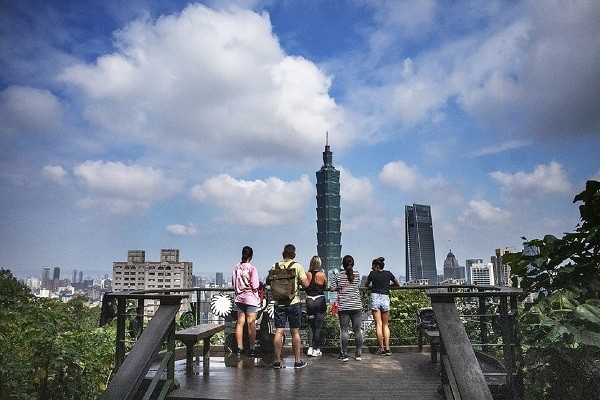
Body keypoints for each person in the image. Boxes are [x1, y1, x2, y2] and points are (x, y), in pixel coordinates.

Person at [270, 244, 310, 369]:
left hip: (279, 303)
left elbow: (268, 281)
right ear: (294, 255)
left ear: (283, 254)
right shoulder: (297, 266)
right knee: (295, 332)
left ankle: (277, 360)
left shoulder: (275, 266)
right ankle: (297, 361)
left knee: (279, 331)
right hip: (293, 302)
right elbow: (306, 284)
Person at [329, 254, 363, 362]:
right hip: (356, 305)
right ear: (353, 264)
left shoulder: (338, 275)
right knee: (357, 330)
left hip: (344, 306)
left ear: (342, 264)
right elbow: (356, 285)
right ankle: (358, 354)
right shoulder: (357, 274)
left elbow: (332, 288)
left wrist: (337, 287)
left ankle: (344, 354)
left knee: (344, 331)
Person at [365, 256, 400, 356]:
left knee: (378, 325)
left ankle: (381, 348)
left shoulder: (372, 274)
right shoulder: (388, 273)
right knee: (385, 325)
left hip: (375, 297)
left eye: (372, 266)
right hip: (385, 297)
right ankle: (388, 348)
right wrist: (388, 286)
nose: (371, 268)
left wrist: (374, 286)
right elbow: (397, 284)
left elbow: (366, 285)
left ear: (376, 266)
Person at [231, 246, 260, 357]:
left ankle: (239, 347)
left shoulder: (236, 267)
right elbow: (255, 285)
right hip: (251, 299)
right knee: (251, 324)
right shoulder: (252, 269)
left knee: (239, 323)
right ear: (251, 256)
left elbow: (234, 283)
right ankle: (252, 348)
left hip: (239, 298)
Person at [305, 255, 327, 357]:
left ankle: (309, 348)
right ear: (319, 264)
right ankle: (316, 349)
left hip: (309, 300)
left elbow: (304, 285)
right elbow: (325, 285)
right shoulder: (322, 274)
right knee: (318, 327)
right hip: (319, 299)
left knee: (311, 325)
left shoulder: (307, 274)